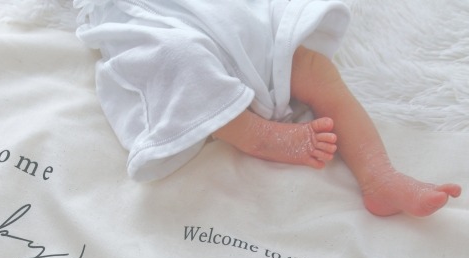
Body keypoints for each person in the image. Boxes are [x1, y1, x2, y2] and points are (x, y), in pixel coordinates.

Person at [75, 0, 461, 216]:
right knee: (179, 60)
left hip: (224, 16)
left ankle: (380, 176)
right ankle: (255, 134)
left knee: (311, 67)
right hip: (149, 16)